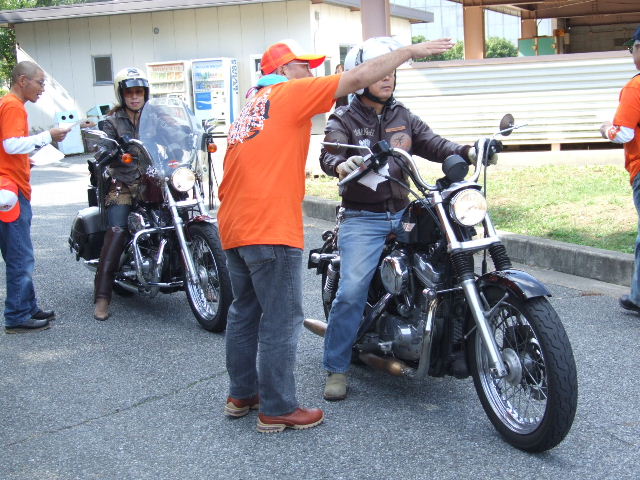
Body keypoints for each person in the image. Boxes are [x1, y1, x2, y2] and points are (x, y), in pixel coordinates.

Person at [218, 36, 455, 432]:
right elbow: (355, 79)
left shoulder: (252, 106)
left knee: (245, 313)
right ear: (283, 71)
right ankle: (277, 408)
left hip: (234, 223)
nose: (311, 73)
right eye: (303, 66)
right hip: (270, 223)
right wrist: (409, 52)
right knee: (282, 319)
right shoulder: (288, 92)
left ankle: (241, 394)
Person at [319, 37, 496, 401]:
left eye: (392, 71)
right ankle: (336, 367)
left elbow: (434, 143)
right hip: (362, 217)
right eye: (380, 71)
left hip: (403, 210)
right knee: (351, 291)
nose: (388, 77)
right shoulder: (344, 117)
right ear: (361, 77)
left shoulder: (403, 115)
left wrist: (469, 150)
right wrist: (341, 164)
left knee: (449, 255)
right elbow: (329, 153)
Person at [0, 61, 69, 333]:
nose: (42, 88)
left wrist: (27, 160)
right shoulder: (13, 106)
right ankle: (17, 315)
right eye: (40, 82)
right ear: (22, 81)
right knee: (20, 255)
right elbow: (11, 144)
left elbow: (8, 149)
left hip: (11, 188)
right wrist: (48, 136)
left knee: (19, 253)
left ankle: (27, 307)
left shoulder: (9, 104)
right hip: (12, 191)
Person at [93, 67, 150, 321]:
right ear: (121, 94)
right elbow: (101, 145)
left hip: (152, 180)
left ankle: (206, 278)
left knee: (182, 216)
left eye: (139, 92)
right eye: (130, 93)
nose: (135, 97)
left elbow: (174, 133)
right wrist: (109, 150)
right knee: (117, 231)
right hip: (123, 183)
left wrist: (187, 134)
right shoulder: (111, 120)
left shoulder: (154, 117)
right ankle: (102, 297)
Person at [600, 26, 640, 315]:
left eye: (632, 49)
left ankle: (638, 297)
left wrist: (605, 128)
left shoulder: (635, 88)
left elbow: (624, 133)